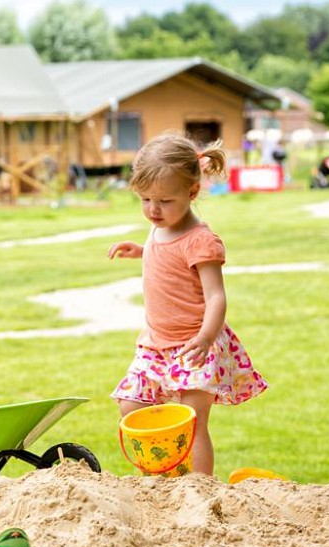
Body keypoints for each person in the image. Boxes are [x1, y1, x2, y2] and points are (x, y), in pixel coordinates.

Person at [108, 134, 268, 475]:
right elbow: (167, 255)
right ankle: (164, 474)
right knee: (131, 404)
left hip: (195, 344)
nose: (153, 209)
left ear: (192, 192)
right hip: (155, 342)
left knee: (192, 421)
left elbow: (216, 296)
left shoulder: (201, 241)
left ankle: (199, 488)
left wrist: (207, 338)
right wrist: (142, 250)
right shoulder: (159, 228)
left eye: (164, 200)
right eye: (145, 199)